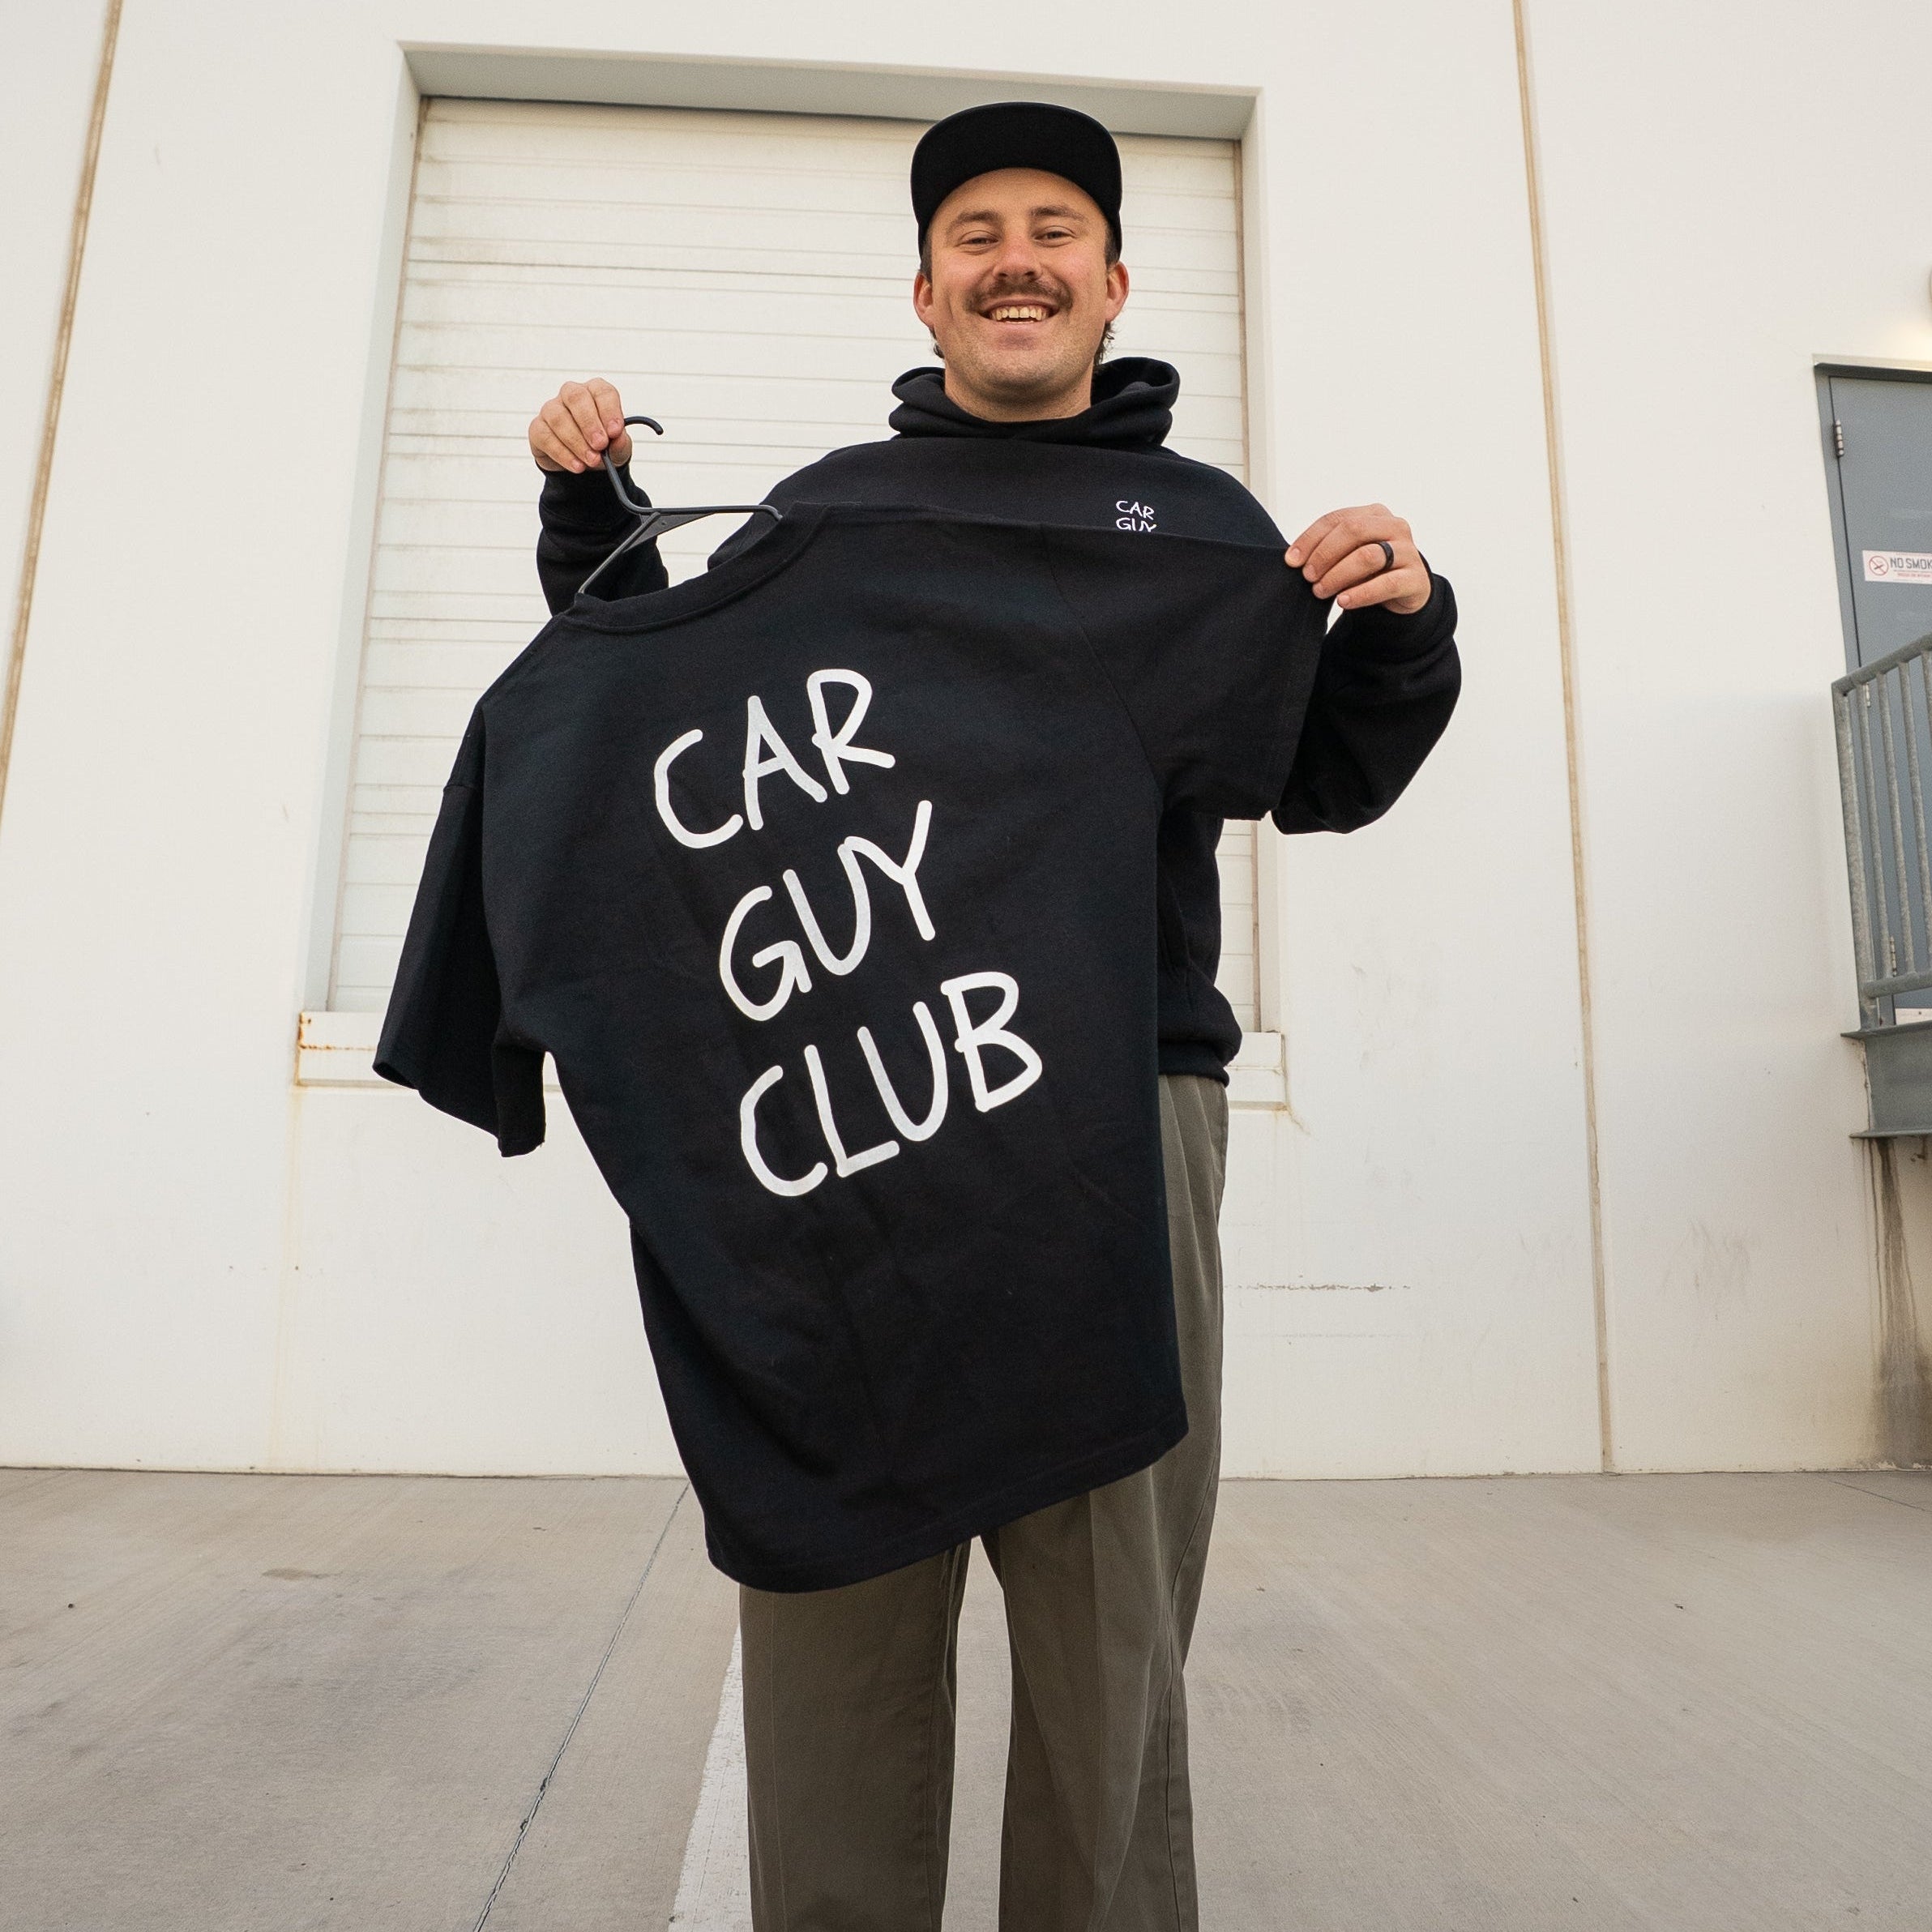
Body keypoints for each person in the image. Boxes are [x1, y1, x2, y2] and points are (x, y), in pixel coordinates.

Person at [525, 100, 1459, 1932]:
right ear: (927, 292)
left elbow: (1326, 773)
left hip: (1119, 1110)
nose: (1014, 259)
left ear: (1111, 284)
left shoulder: (1198, 533)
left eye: (1053, 229)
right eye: (974, 233)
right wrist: (592, 508)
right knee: (836, 1594)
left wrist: (1401, 625)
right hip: (856, 1107)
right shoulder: (829, 514)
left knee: (1108, 1615)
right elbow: (658, 702)